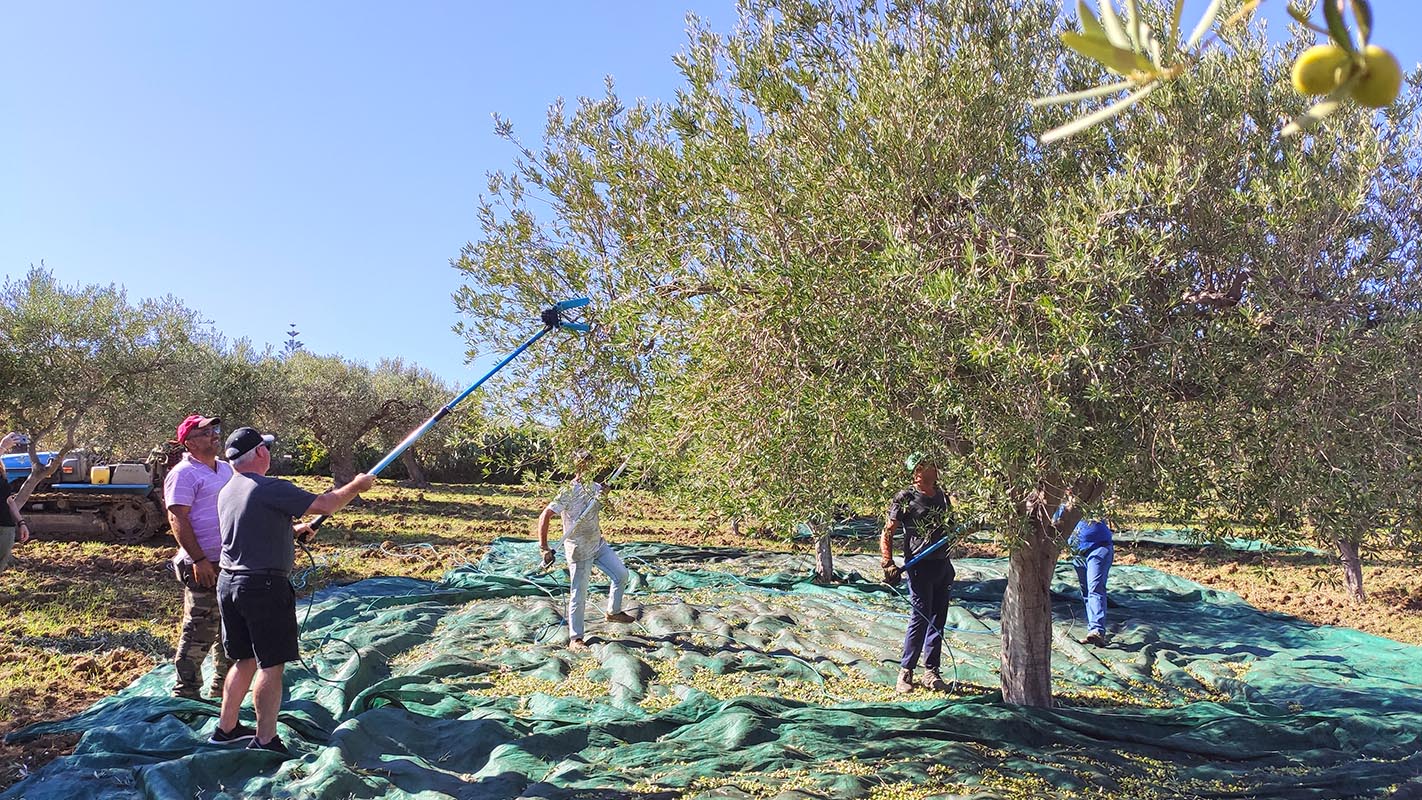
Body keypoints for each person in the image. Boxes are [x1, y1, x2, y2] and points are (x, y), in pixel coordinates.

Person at [211, 427, 375, 754]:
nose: (269, 453)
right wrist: (357, 486)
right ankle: (265, 739)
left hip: (230, 584)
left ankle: (225, 729)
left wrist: (294, 529)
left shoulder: (228, 490)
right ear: (259, 453)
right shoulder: (271, 487)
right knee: (270, 665)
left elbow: (252, 526)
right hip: (263, 587)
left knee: (243, 660)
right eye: (266, 448)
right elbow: (327, 504)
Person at [163, 414, 235, 701]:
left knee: (229, 629)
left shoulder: (227, 470)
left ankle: (224, 689)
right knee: (199, 630)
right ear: (189, 442)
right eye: (205, 433)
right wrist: (199, 559)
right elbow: (176, 517)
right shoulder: (183, 474)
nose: (213, 436)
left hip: (231, 561)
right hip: (204, 564)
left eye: (214, 430)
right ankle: (186, 693)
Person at [535, 450, 634, 651]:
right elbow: (545, 516)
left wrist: (604, 495)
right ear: (577, 466)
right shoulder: (568, 491)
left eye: (590, 463)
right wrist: (544, 547)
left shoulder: (596, 488)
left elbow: (601, 508)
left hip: (598, 544)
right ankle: (576, 638)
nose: (587, 467)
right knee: (578, 594)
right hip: (579, 549)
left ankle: (613, 611)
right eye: (583, 463)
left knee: (621, 574)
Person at [881, 453, 955, 693]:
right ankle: (906, 671)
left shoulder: (942, 495)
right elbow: (888, 531)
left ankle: (931, 672)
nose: (933, 469)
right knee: (920, 618)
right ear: (917, 471)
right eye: (926, 466)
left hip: (941, 564)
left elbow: (951, 526)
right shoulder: (905, 497)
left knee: (938, 619)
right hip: (919, 566)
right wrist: (887, 562)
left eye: (933, 464)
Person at [1071, 517, 1114, 646]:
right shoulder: (1057, 506)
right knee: (1086, 591)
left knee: (1095, 587)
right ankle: (1093, 630)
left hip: (1099, 548)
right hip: (1078, 553)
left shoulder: (1089, 501)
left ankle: (1097, 630)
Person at [0, 433, 33, 573]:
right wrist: (2, 447)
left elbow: (9, 500)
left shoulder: (2, 471)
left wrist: (21, 523)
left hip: (6, 528)